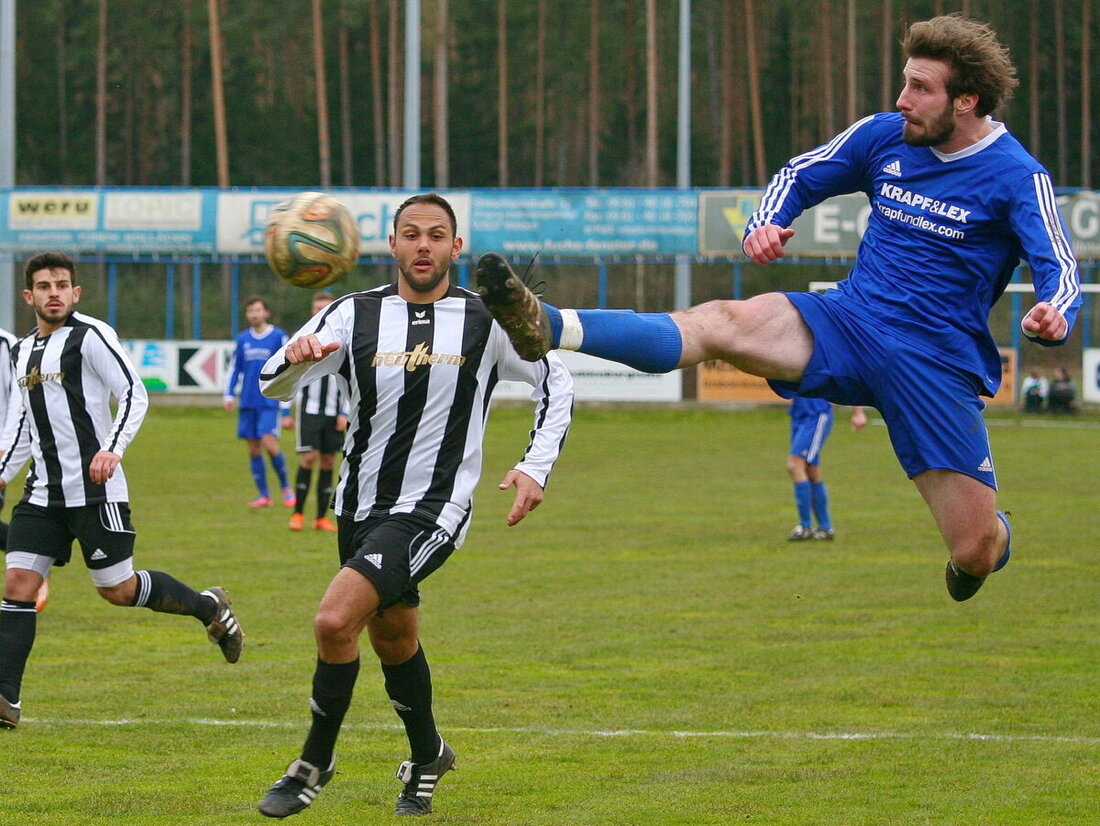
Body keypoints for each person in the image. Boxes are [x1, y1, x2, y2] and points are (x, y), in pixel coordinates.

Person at [477, 15, 1081, 603]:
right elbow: (801, 174)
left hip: (934, 364)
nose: (902, 99)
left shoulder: (1017, 177)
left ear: (968, 101)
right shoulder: (883, 135)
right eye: (904, 81)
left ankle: (991, 540)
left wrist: (1054, 312)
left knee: (973, 548)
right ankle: (550, 323)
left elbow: (1060, 268)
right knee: (720, 321)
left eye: (920, 88)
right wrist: (767, 222)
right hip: (850, 322)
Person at [255, 193, 574, 819]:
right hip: (356, 506)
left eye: (436, 235)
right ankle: (429, 754)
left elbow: (556, 379)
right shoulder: (352, 314)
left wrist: (535, 466)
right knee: (393, 638)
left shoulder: (488, 317)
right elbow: (272, 380)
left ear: (456, 248)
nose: (422, 245)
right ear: (392, 246)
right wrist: (294, 360)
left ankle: (312, 763)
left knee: (332, 620)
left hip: (434, 508)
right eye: (410, 234)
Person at [0, 252, 244, 731]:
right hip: (43, 494)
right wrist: (3, 469)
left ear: (75, 293)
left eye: (62, 285)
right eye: (44, 286)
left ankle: (208, 606)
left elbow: (134, 392)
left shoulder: (91, 336)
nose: (54, 293)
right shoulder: (22, 351)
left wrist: (111, 449)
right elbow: (21, 423)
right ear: (29, 296)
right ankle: (6, 700)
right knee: (16, 586)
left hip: (96, 491)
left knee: (117, 589)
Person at [224, 296, 295, 508]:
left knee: (269, 443)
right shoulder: (242, 339)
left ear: (266, 313)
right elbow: (235, 368)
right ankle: (264, 495)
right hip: (247, 401)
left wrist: (285, 409)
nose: (254, 314)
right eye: (250, 311)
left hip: (269, 400)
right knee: (254, 448)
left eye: (257, 310)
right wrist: (228, 395)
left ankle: (286, 488)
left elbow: (287, 368)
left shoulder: (278, 336)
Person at [288, 291, 347, 533]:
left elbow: (349, 377)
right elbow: (286, 374)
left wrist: (345, 412)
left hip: (334, 412)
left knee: (327, 461)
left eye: (326, 306)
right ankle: (298, 513)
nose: (321, 310)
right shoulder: (301, 338)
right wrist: (285, 411)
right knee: (309, 458)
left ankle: (321, 518)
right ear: (312, 311)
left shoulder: (342, 338)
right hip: (309, 411)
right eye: (317, 307)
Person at [785, 399, 867, 541]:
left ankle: (805, 526)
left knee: (794, 464)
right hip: (799, 412)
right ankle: (825, 528)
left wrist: (858, 412)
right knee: (811, 470)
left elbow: (854, 376)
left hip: (816, 413)